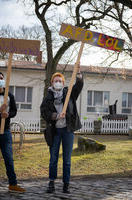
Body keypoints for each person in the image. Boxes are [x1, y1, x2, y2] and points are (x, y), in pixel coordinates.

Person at [40, 64, 83, 194]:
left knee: (67, 160)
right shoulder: (48, 97)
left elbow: (78, 86)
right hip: (55, 132)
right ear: (52, 82)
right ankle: (51, 183)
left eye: (60, 81)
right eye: (55, 81)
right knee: (53, 158)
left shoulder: (69, 93)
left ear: (63, 83)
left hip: (67, 130)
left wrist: (79, 73)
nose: (58, 82)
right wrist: (56, 116)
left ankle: (66, 184)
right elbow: (44, 113)